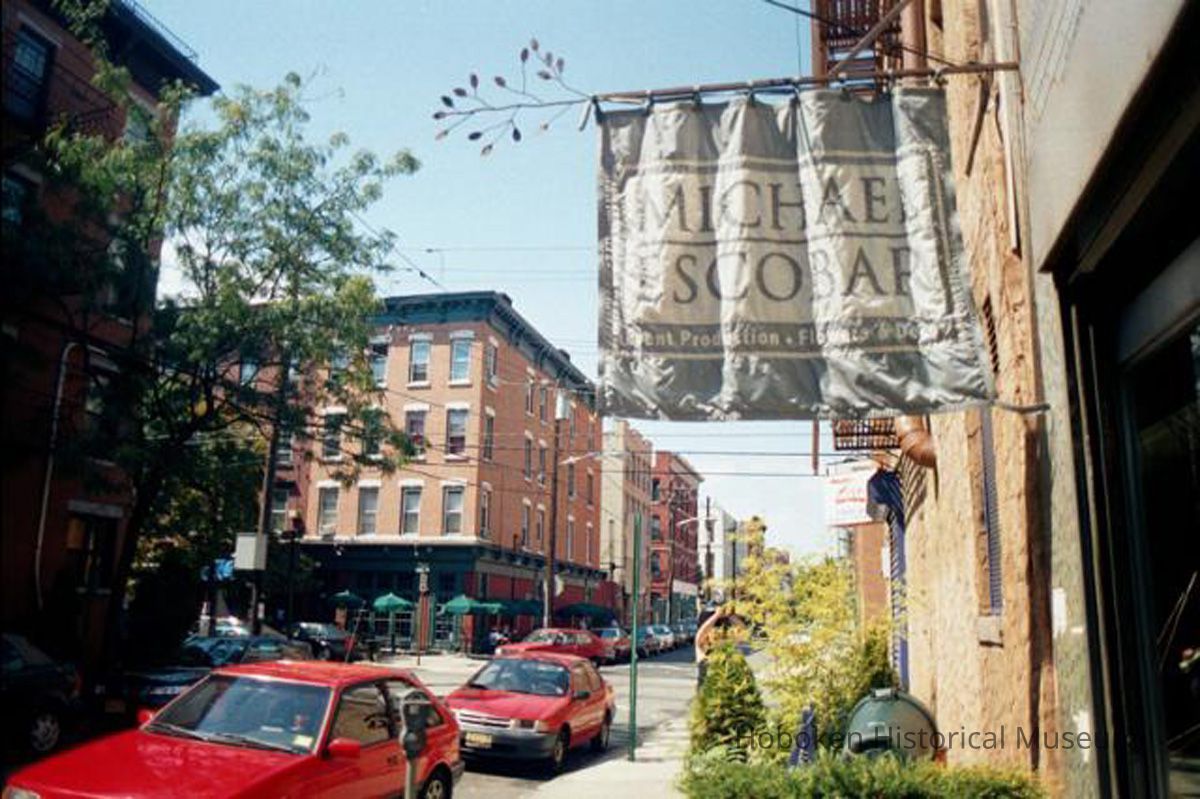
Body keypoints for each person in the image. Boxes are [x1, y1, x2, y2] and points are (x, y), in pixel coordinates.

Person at [694, 604, 745, 688]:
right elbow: (702, 632)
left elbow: (743, 631)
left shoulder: (726, 643)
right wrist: (716, 615)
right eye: (715, 631)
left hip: (726, 691)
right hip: (707, 692)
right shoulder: (702, 644)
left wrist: (730, 615)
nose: (717, 634)